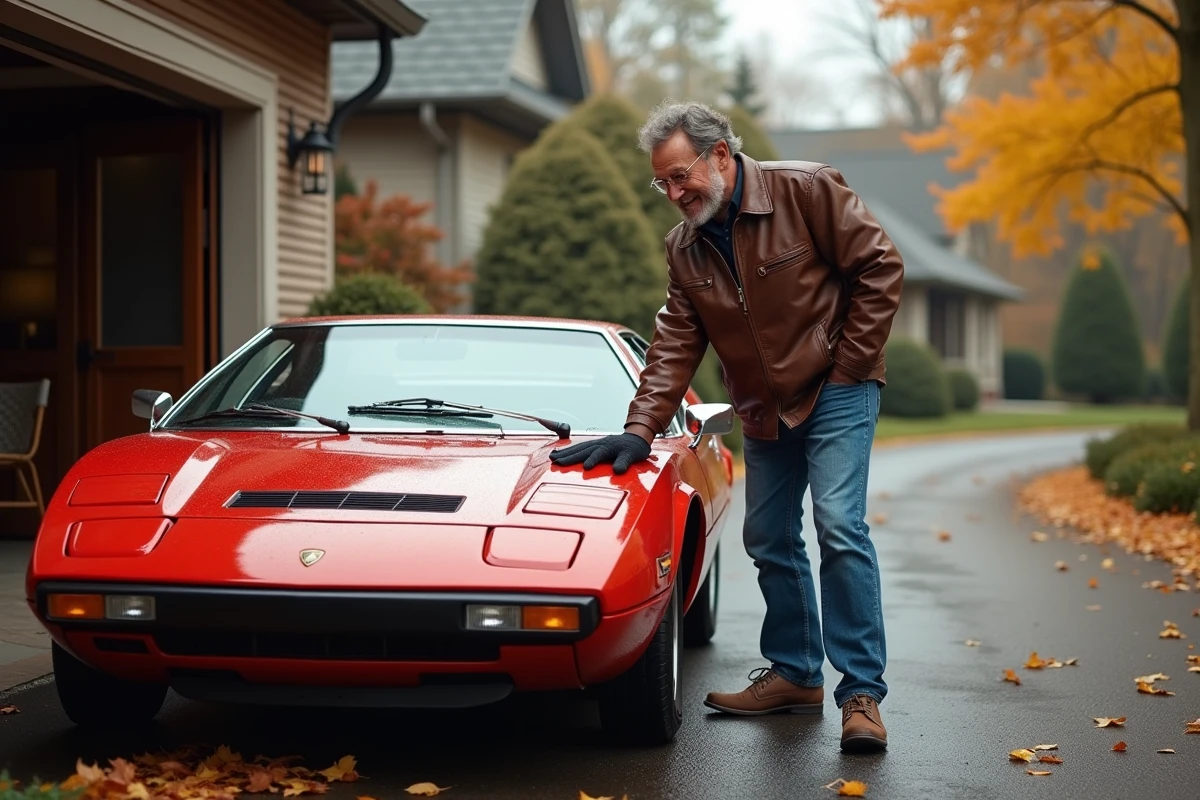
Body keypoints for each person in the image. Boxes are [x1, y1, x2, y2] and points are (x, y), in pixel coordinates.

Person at [548, 101, 903, 753]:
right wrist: (640, 427)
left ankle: (861, 695)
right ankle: (796, 673)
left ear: (719, 155)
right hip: (764, 405)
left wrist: (850, 367)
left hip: (836, 387)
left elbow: (879, 268)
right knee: (767, 534)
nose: (674, 193)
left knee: (838, 524)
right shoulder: (685, 246)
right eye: (662, 183)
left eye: (681, 176)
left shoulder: (806, 189)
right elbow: (676, 339)